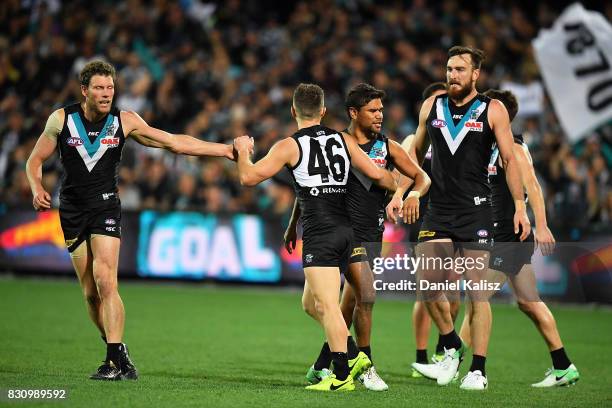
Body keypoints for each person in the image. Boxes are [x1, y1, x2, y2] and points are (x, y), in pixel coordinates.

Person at [25, 60, 235, 381]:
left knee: (106, 280)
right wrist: (37, 186)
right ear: (85, 91)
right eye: (99, 87)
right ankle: (118, 350)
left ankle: (111, 361)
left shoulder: (125, 121)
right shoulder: (62, 119)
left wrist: (224, 150)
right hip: (71, 211)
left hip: (106, 208)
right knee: (90, 294)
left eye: (110, 87)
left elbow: (173, 142)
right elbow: (35, 159)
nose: (106, 93)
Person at [233, 83, 396, 392]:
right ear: (323, 111)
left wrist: (243, 151)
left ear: (293, 111)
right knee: (311, 304)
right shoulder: (342, 139)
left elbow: (248, 177)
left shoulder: (288, 146)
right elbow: (379, 175)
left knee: (329, 306)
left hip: (321, 233)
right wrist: (392, 193)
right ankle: (352, 354)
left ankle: (341, 377)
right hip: (347, 232)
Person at [285, 83, 430, 391]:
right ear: (354, 112)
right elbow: (309, 187)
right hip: (336, 229)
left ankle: (358, 363)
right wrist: (293, 223)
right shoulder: (337, 142)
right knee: (316, 305)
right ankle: (335, 362)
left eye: (381, 110)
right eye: (373, 110)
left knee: (359, 299)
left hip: (366, 235)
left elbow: (420, 176)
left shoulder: (388, 147)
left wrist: (404, 194)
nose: (380, 116)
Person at [408, 46, 531, 390]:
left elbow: (509, 161)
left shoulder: (493, 109)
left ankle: (478, 369)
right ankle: (451, 345)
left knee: (477, 293)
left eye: (460, 69)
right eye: (449, 69)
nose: (453, 75)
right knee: (427, 283)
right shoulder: (432, 106)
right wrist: (408, 191)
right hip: (438, 209)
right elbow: (414, 153)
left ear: (476, 74)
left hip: (476, 210)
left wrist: (520, 206)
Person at [457, 89, 579, 387]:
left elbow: (533, 187)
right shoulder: (495, 146)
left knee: (479, 294)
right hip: (504, 235)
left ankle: (456, 360)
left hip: (512, 237)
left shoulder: (513, 146)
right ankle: (563, 365)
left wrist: (543, 225)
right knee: (528, 302)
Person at [388, 82, 462, 377]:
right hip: (422, 215)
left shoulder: (457, 140)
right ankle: (424, 356)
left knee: (452, 293)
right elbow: (398, 176)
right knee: (426, 290)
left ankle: (443, 350)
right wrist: (400, 195)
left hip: (454, 218)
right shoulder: (413, 140)